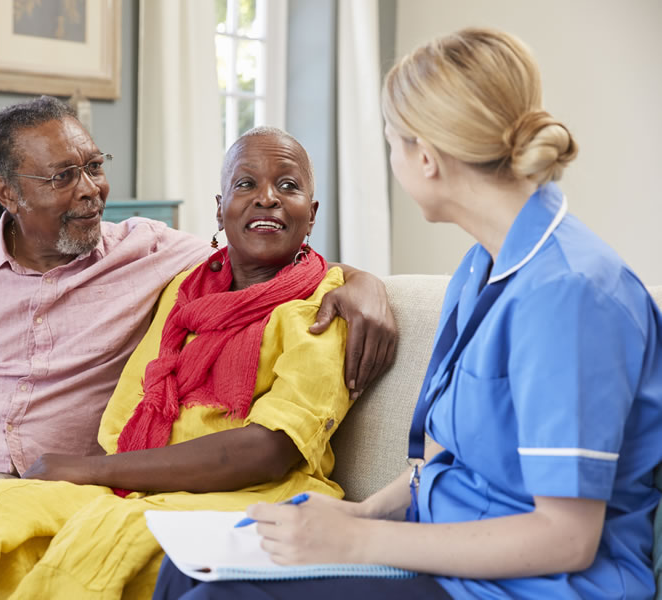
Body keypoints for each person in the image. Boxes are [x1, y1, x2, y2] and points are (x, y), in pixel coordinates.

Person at [0, 98, 396, 600]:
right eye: (63, 177)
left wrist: (365, 283)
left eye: (94, 166)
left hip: (4, 483)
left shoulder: (150, 252)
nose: (91, 189)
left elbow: (266, 250)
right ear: (6, 191)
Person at [152, 28, 662, 600]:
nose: (391, 158)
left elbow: (566, 540)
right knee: (187, 570)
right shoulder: (481, 267)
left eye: (391, 141)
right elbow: (446, 453)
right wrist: (362, 514)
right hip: (443, 553)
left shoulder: (569, 296)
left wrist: (357, 542)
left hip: (529, 587)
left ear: (426, 157)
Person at [0, 127, 354, 599]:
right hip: (140, 481)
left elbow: (271, 451)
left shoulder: (324, 307)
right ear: (219, 208)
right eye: (245, 184)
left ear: (311, 215)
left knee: (98, 542)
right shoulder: (186, 289)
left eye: (288, 186)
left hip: (249, 494)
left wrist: (91, 471)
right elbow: (126, 415)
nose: (267, 199)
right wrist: (108, 474)